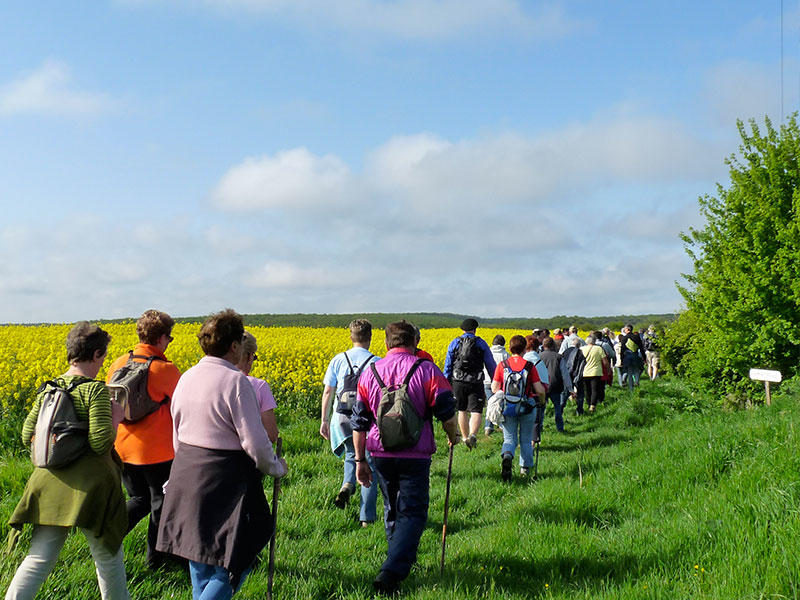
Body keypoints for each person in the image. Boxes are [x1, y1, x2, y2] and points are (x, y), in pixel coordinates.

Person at [156, 309, 287, 599]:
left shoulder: (187, 377)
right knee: (233, 562)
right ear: (233, 346)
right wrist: (276, 467)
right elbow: (254, 442)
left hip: (185, 471)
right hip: (225, 479)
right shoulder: (235, 382)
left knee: (199, 552)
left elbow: (177, 431)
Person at [6, 322, 130, 600]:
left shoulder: (48, 388)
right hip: (91, 488)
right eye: (103, 356)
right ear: (97, 355)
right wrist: (116, 419)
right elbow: (100, 443)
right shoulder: (94, 390)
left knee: (38, 558)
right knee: (107, 556)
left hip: (49, 484)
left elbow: (27, 433)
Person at [352, 320, 459, 595]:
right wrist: (453, 435)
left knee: (391, 508)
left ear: (386, 343)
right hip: (416, 453)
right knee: (412, 511)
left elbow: (359, 421)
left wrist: (359, 461)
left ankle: (394, 559)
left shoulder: (370, 372)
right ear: (414, 343)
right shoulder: (426, 370)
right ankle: (391, 571)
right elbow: (445, 408)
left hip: (380, 451)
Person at [106, 309, 181, 571]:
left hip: (123, 449)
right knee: (161, 504)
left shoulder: (118, 364)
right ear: (160, 339)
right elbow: (183, 407)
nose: (168, 343)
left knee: (139, 498)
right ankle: (156, 561)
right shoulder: (166, 370)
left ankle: (107, 538)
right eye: (169, 339)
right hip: (157, 452)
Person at [319, 319, 379, 525]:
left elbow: (328, 391)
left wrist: (324, 419)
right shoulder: (376, 361)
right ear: (370, 337)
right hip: (366, 419)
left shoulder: (338, 359)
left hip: (341, 417)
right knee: (369, 464)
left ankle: (347, 485)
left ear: (351, 336)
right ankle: (366, 518)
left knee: (352, 454)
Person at [491, 335, 546, 480]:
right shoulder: (529, 366)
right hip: (527, 406)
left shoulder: (502, 365)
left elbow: (494, 387)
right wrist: (541, 401)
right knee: (526, 439)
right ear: (524, 349)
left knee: (509, 439)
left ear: (510, 348)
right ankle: (525, 469)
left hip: (508, 407)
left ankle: (508, 456)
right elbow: (539, 390)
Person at [443, 318, 496, 450]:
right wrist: (496, 380)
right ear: (475, 330)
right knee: (476, 410)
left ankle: (465, 437)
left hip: (458, 381)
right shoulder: (481, 343)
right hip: (476, 381)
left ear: (462, 330)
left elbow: (448, 365)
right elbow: (490, 364)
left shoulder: (455, 342)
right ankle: (473, 435)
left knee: (461, 410)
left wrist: (446, 382)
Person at [236, 331, 279, 443]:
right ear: (250, 357)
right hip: (248, 457)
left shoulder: (209, 381)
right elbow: (271, 435)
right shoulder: (259, 386)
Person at [523, 335, 550, 443]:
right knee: (536, 420)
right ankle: (534, 441)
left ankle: (525, 441)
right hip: (538, 394)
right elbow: (545, 382)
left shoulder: (523, 360)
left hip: (525, 393)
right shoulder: (540, 361)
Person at [483, 335, 509, 436]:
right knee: (500, 404)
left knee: (490, 403)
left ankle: (488, 426)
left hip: (487, 381)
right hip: (500, 383)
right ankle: (501, 425)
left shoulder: (487, 353)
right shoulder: (506, 354)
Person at [539, 337, 565, 433]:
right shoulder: (558, 357)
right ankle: (560, 427)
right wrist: (570, 388)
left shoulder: (539, 356)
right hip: (556, 385)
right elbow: (564, 373)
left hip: (542, 386)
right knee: (557, 407)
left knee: (541, 408)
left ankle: (539, 427)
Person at [580, 335, 609, 413]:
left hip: (584, 372)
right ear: (594, 341)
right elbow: (605, 361)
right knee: (595, 389)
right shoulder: (599, 348)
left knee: (587, 390)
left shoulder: (581, 349)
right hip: (596, 372)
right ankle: (593, 406)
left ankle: (589, 403)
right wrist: (608, 369)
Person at [560, 338, 587, 415]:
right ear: (579, 345)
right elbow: (582, 365)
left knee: (564, 393)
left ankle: (560, 410)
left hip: (566, 375)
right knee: (580, 393)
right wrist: (578, 377)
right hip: (576, 376)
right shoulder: (580, 353)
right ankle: (579, 410)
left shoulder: (565, 352)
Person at [618, 324, 647, 390]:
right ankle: (636, 381)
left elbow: (622, 350)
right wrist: (644, 358)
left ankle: (631, 388)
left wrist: (621, 360)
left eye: (625, 329)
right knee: (636, 370)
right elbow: (641, 348)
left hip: (627, 357)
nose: (624, 330)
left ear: (628, 329)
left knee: (629, 372)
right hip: (635, 355)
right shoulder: (636, 337)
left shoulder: (624, 338)